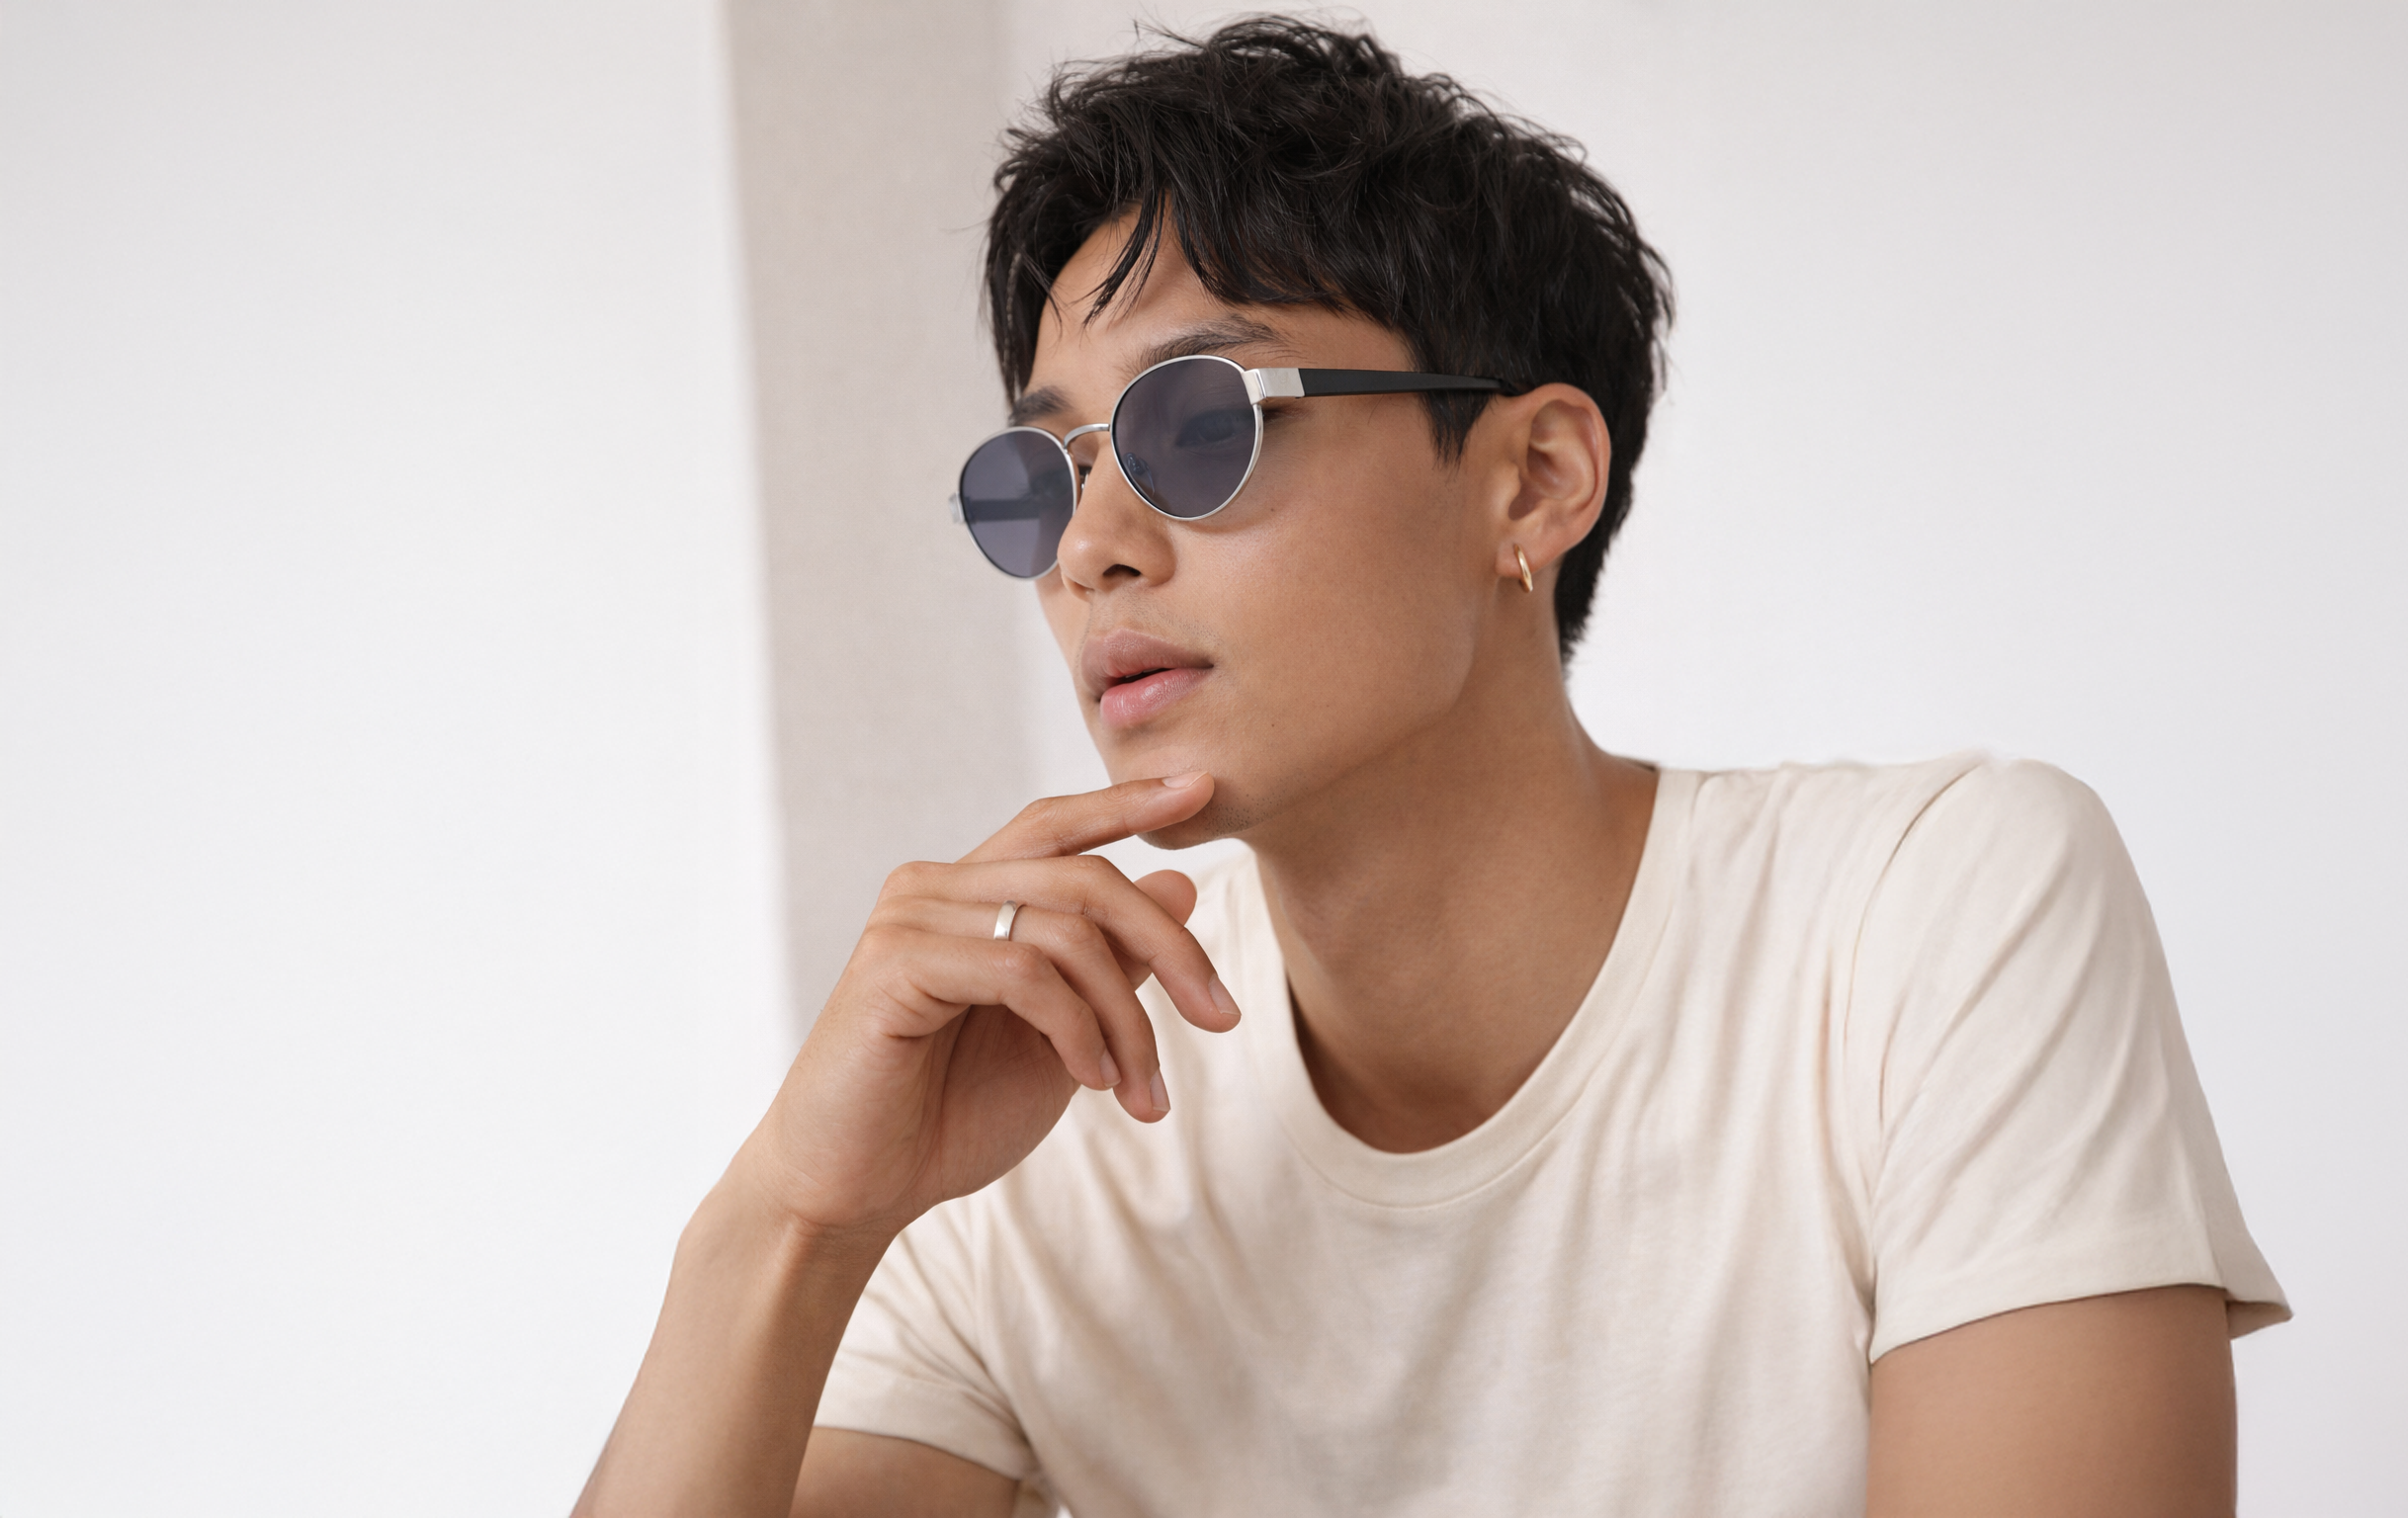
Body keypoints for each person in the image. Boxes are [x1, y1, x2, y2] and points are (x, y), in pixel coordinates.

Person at [575, 18, 2284, 1517]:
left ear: (1532, 483)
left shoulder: (1926, 917)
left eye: (1199, 426)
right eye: (1042, 476)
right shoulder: (1042, 1099)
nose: (1090, 547)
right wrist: (788, 1222)